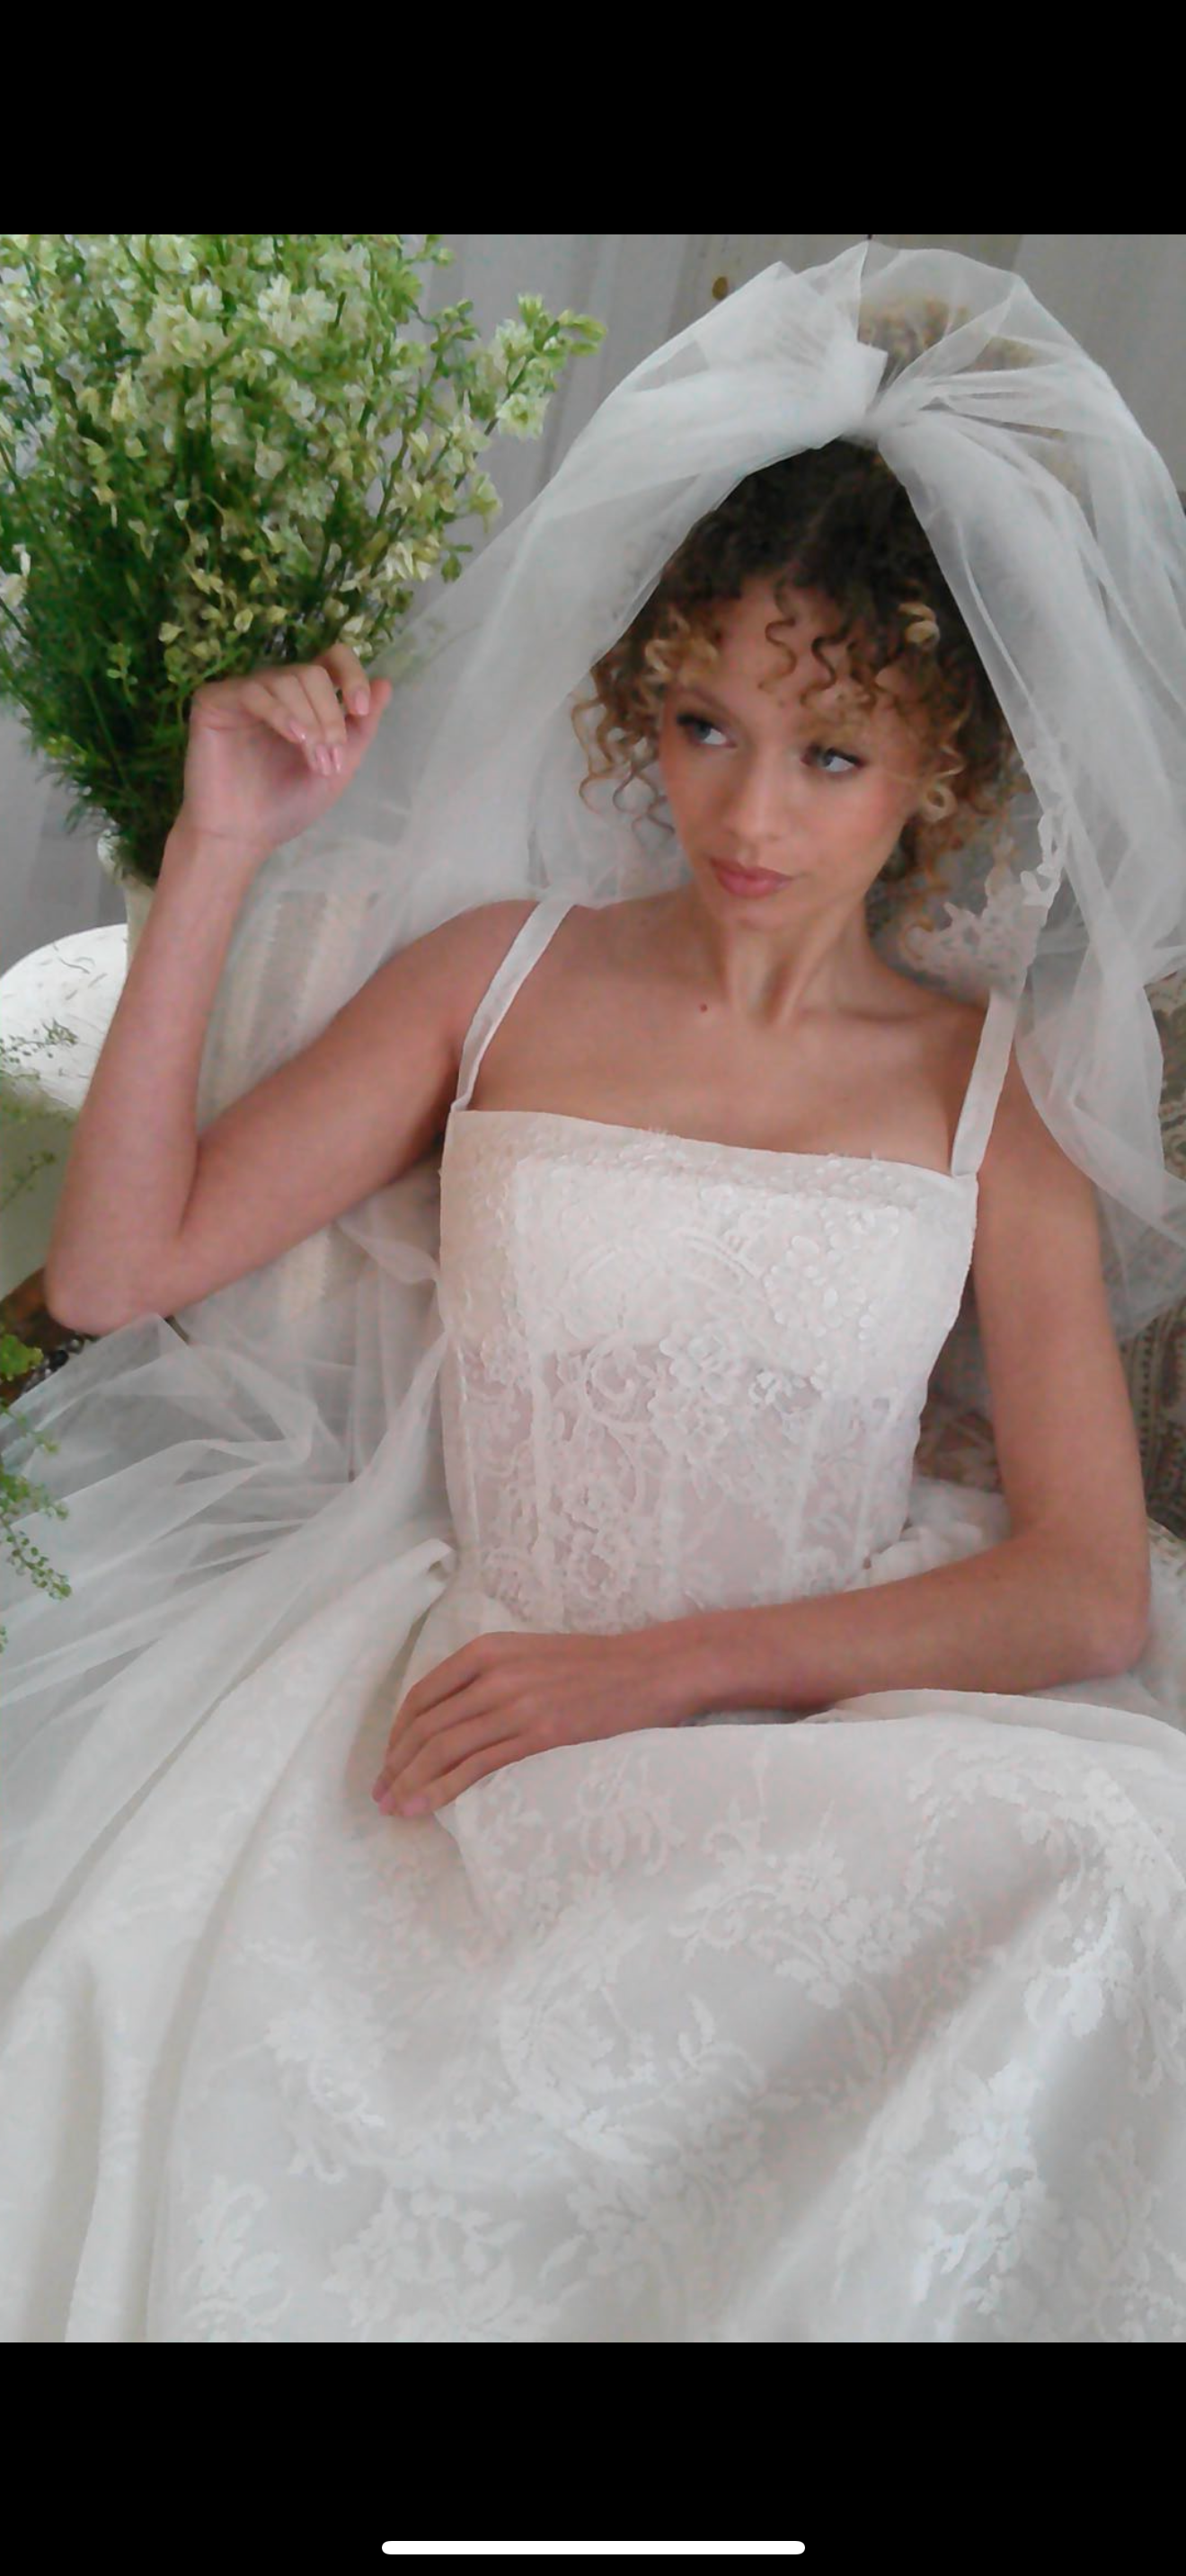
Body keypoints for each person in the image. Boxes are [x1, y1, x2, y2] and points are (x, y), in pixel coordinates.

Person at [4, 243, 1186, 2342]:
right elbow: (111, 1270)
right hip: (462, 1719)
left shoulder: (986, 1107)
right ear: (637, 696)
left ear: (947, 772)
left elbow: (1090, 1585)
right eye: (705, 722)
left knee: (1133, 1870)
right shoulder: (499, 976)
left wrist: (662, 1671)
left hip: (804, 1728)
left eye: (831, 756)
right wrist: (218, 851)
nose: (745, 809)